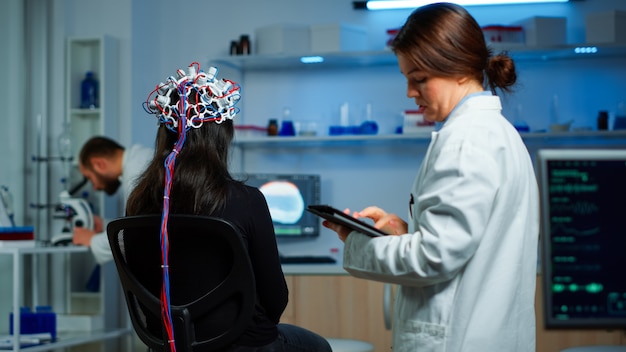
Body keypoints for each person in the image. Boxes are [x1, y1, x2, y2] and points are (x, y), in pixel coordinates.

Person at [323, 3, 539, 352]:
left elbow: (433, 257)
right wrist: (401, 233)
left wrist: (358, 243)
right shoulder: (498, 133)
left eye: (419, 79)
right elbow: (461, 244)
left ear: (456, 69)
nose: (410, 92)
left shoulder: (466, 140)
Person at [125, 62, 332, 352]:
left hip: (167, 344)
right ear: (222, 136)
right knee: (317, 346)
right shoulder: (246, 201)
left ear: (164, 133)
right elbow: (275, 299)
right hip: (243, 345)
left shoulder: (138, 202)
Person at [74, 136, 153, 264]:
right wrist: (106, 225)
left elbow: (133, 235)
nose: (95, 187)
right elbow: (142, 221)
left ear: (99, 164)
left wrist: (92, 240)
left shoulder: (136, 172)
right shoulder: (139, 158)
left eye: (89, 178)